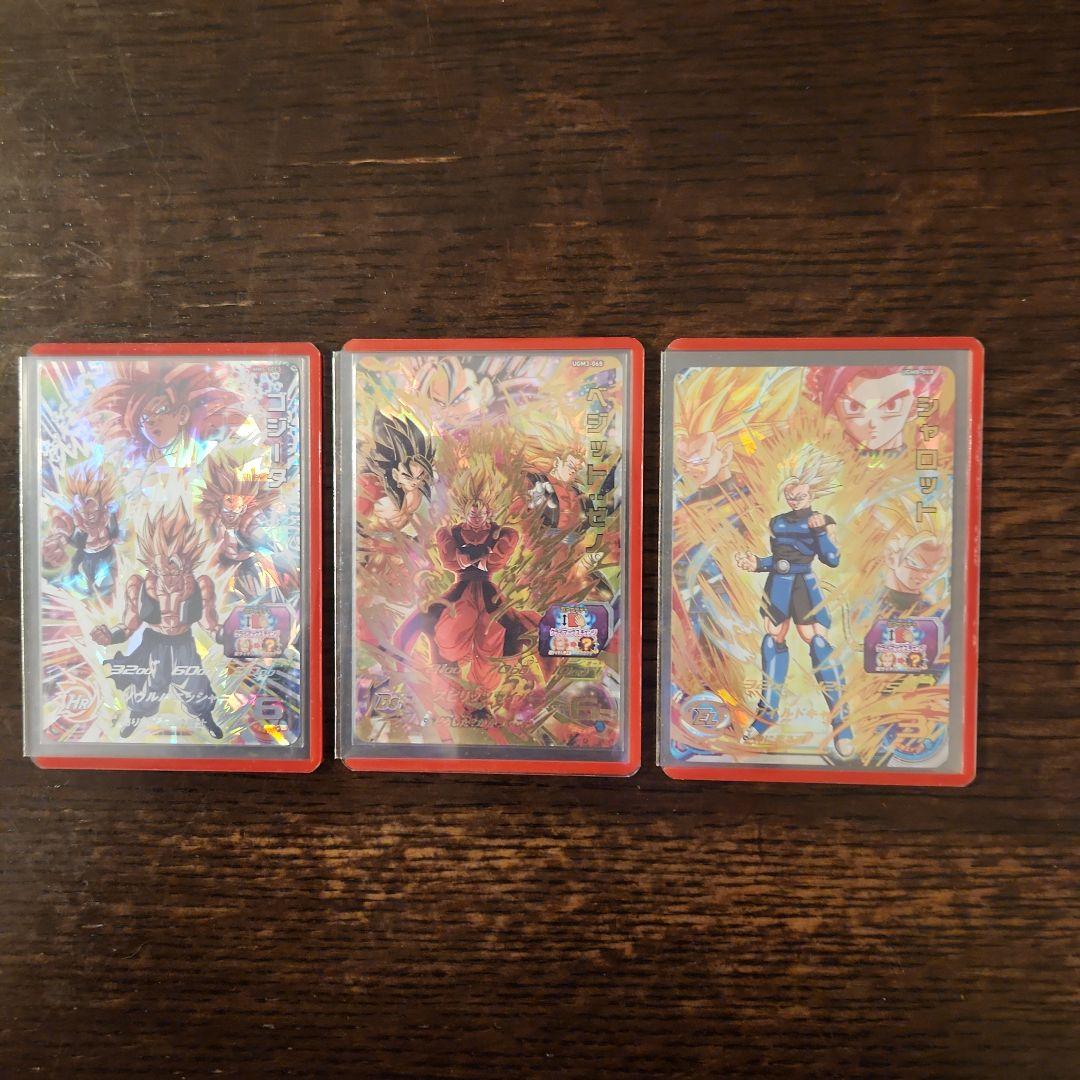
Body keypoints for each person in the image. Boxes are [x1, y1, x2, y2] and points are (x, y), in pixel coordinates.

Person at [734, 446, 854, 759]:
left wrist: (821, 532)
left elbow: (832, 559)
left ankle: (841, 723)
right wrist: (757, 563)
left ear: (811, 490)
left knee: (817, 642)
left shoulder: (823, 520)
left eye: (798, 491)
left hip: (804, 585)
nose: (793, 497)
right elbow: (779, 559)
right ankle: (767, 714)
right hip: (778, 583)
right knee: (772, 638)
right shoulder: (778, 522)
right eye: (789, 492)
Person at [91, 503, 225, 739]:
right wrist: (109, 637)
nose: (170, 566)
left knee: (194, 685)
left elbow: (210, 623)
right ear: (152, 558)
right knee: (150, 685)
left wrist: (227, 635)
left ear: (188, 556)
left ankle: (205, 716)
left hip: (184, 643)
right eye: (163, 560)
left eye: (176, 560)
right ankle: (135, 716)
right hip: (153, 643)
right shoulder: (139, 584)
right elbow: (129, 624)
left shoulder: (200, 584)